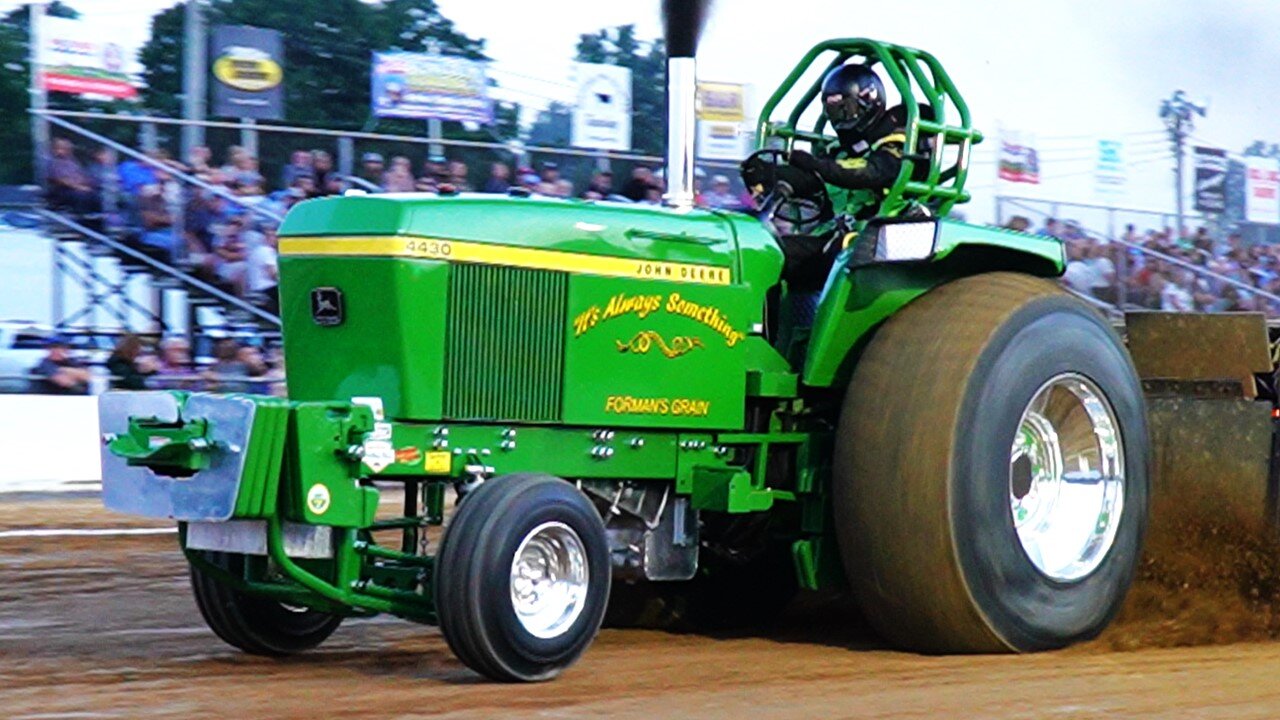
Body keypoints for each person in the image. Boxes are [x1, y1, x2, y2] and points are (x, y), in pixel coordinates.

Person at [784, 63, 919, 221]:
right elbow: (811, 179)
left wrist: (815, 164)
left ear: (866, 103)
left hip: (878, 235)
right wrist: (769, 173)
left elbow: (869, 172)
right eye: (832, 110)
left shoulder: (895, 144)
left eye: (845, 108)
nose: (839, 118)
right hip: (835, 234)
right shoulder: (840, 150)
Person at [47, 139, 98, 214]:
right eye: (61, 148)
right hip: (62, 190)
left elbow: (82, 175)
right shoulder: (53, 162)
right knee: (82, 196)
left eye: (67, 148)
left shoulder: (73, 161)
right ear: (55, 149)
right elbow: (60, 180)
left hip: (78, 187)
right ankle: (81, 216)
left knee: (96, 194)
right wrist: (79, 187)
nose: (65, 150)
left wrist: (87, 183)